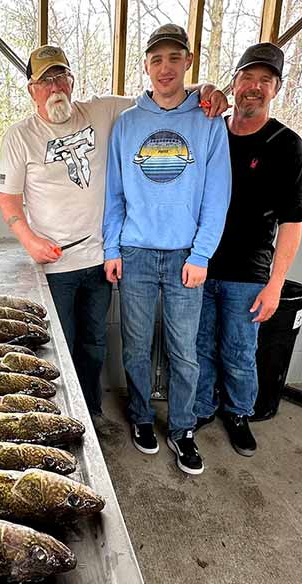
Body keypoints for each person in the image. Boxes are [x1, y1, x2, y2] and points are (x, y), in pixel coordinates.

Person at [0, 45, 227, 419]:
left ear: (72, 81)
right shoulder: (19, 136)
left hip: (99, 257)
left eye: (61, 77)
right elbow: (8, 201)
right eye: (44, 81)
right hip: (53, 265)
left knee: (94, 344)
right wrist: (29, 240)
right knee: (57, 346)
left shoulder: (102, 111)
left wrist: (207, 89)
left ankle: (90, 414)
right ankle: (56, 417)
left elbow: (162, 94)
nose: (55, 87)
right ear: (31, 89)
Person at [102, 24, 231, 475]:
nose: (165, 68)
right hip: (135, 252)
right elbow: (114, 194)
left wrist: (201, 255)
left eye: (174, 58)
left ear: (188, 63)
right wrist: (111, 247)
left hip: (184, 257)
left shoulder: (209, 122)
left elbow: (218, 196)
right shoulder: (128, 124)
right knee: (136, 346)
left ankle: (182, 430)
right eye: (156, 60)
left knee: (183, 350)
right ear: (145, 66)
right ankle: (140, 417)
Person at [194, 43, 302, 456]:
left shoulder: (286, 145)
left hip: (248, 273)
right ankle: (203, 405)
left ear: (276, 88)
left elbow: (292, 224)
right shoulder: (210, 131)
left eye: (265, 80)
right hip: (199, 265)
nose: (254, 88)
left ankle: (239, 412)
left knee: (240, 350)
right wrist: (205, 87)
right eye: (247, 78)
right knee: (199, 344)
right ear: (234, 82)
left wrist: (275, 285)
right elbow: (168, 95)